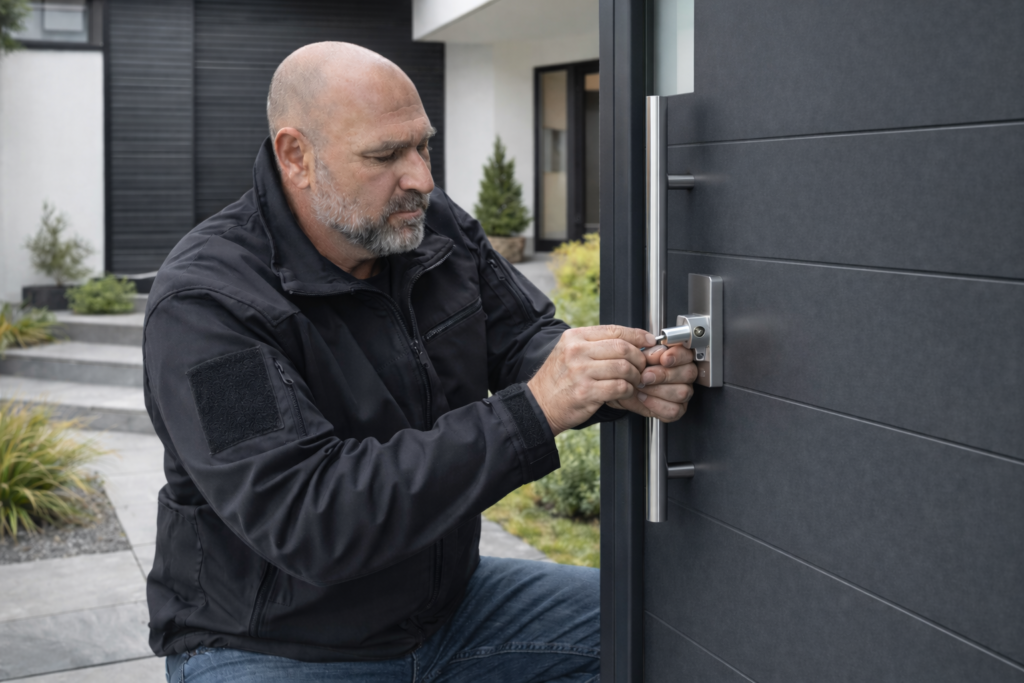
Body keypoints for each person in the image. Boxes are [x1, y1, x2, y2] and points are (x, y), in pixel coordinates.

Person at [145, 42, 697, 683]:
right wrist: (535, 411)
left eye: (423, 146)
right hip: (274, 644)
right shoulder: (207, 306)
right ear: (297, 156)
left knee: (668, 626)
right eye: (385, 156)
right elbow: (308, 518)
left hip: (450, 613)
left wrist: (610, 375)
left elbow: (522, 338)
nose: (421, 180)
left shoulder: (432, 227)